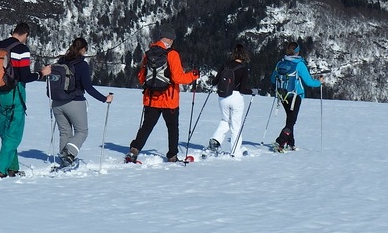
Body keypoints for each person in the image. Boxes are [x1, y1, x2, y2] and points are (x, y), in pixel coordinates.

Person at [0, 22, 51, 178]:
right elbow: (25, 76)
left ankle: (13, 167)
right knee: (14, 133)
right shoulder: (22, 49)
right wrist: (41, 74)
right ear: (25, 34)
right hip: (15, 93)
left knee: (5, 131)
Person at [125, 25, 199, 163]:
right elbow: (178, 78)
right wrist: (193, 76)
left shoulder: (149, 53)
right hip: (169, 99)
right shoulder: (172, 54)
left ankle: (134, 150)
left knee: (147, 126)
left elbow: (141, 77)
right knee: (172, 128)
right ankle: (172, 156)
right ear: (171, 39)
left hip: (151, 98)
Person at [48, 37, 114, 168]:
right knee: (82, 131)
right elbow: (88, 88)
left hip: (56, 102)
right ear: (83, 50)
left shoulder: (61, 61)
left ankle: (65, 160)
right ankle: (69, 154)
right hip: (75, 102)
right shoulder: (82, 65)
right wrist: (104, 99)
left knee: (65, 132)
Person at [270, 41, 322, 152]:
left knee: (290, 118)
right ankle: (280, 143)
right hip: (295, 95)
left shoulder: (280, 63)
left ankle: (290, 143)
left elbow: (272, 79)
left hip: (283, 95)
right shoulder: (299, 64)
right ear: (297, 52)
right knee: (291, 121)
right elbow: (309, 82)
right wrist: (319, 82)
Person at [206, 44, 252, 157]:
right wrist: (252, 92)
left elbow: (214, 82)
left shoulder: (225, 65)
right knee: (236, 125)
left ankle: (215, 141)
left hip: (223, 97)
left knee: (225, 120)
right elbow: (243, 89)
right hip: (236, 98)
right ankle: (235, 150)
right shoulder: (243, 69)